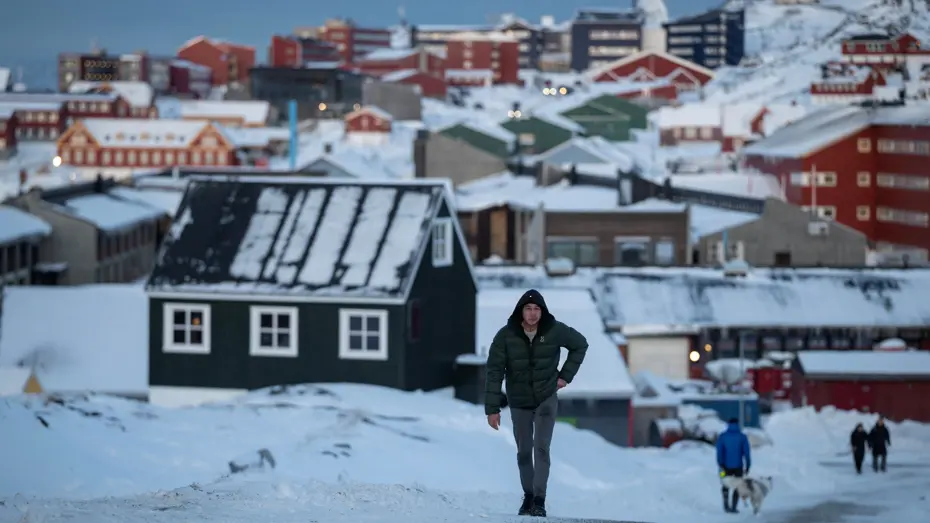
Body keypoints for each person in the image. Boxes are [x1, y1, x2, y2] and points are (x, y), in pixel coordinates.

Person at [485, 289, 589, 517]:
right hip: (519, 399)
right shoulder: (506, 335)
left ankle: (540, 500)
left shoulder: (554, 330)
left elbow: (580, 344)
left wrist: (564, 376)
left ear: (542, 311)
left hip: (546, 397)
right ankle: (528, 496)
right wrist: (492, 409)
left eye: (536, 309)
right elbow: (494, 372)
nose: (532, 314)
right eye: (528, 309)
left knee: (541, 448)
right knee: (524, 451)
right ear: (520, 311)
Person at [716, 418, 751, 514]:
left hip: (724, 467)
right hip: (738, 467)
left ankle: (726, 506)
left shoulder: (722, 436)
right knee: (737, 486)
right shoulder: (742, 437)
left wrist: (720, 463)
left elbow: (719, 451)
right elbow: (747, 453)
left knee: (724, 484)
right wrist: (748, 466)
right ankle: (734, 507)